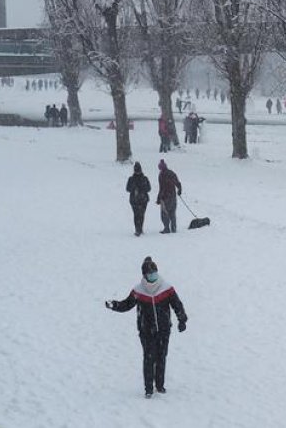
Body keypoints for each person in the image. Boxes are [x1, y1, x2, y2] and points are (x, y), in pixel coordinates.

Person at [106, 256, 188, 398]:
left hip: (163, 330)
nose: (153, 276)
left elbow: (177, 304)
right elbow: (127, 304)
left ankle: (160, 385)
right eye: (150, 274)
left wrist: (182, 319)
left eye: (155, 273)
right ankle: (148, 389)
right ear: (144, 275)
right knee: (149, 358)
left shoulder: (167, 288)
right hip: (146, 331)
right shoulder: (138, 291)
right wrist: (114, 305)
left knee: (161, 357)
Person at [156, 160, 182, 233]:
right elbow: (177, 182)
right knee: (172, 213)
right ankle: (173, 228)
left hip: (165, 197)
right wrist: (179, 189)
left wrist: (159, 198)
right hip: (173, 196)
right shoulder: (171, 173)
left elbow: (161, 188)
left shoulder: (161, 175)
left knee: (164, 213)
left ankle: (166, 228)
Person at [126, 162, 152, 237]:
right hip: (142, 200)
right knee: (140, 215)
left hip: (136, 200)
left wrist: (136, 189)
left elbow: (128, 189)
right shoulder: (144, 178)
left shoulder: (132, 179)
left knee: (137, 215)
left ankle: (138, 229)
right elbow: (149, 188)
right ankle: (139, 228)